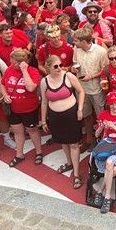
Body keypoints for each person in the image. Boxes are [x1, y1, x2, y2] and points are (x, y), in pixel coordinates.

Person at [41, 54, 85, 185]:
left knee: (74, 144)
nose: (60, 68)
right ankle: (69, 163)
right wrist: (43, 120)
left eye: (61, 65)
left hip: (71, 114)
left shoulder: (69, 76)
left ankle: (76, 174)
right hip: (55, 116)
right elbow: (44, 102)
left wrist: (80, 109)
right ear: (48, 67)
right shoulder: (44, 81)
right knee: (63, 141)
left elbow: (81, 92)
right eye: (56, 66)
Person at [1, 49, 42, 167]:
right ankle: (19, 154)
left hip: (29, 109)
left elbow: (30, 88)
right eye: (11, 62)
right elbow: (3, 83)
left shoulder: (33, 71)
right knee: (17, 132)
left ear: (22, 62)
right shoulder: (9, 69)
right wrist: (5, 95)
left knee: (32, 130)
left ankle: (38, 151)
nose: (11, 64)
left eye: (14, 63)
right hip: (13, 109)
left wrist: (24, 70)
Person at [72, 26, 109, 152]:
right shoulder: (76, 49)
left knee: (100, 117)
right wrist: (74, 69)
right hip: (81, 90)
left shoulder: (101, 52)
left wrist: (91, 76)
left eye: (76, 41)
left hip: (96, 89)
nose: (74, 43)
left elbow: (106, 70)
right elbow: (74, 63)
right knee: (86, 116)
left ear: (83, 41)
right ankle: (88, 140)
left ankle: (101, 141)